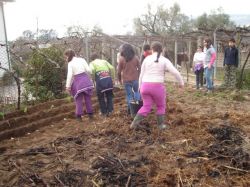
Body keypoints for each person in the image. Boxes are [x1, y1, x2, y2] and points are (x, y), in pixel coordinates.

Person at [130, 42, 184, 130]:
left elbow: (141, 75)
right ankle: (161, 125)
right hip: (157, 87)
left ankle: (134, 123)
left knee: (146, 106)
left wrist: (140, 87)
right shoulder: (164, 60)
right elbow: (175, 72)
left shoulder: (146, 59)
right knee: (161, 106)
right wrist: (181, 83)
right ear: (161, 50)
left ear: (152, 49)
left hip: (145, 86)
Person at [64, 49, 94, 121]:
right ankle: (90, 116)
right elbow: (89, 70)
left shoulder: (70, 63)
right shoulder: (82, 59)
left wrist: (67, 86)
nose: (65, 58)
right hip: (86, 80)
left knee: (78, 100)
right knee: (88, 99)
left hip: (78, 82)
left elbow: (70, 75)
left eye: (65, 57)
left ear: (68, 56)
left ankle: (79, 117)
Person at [117, 44, 141, 115]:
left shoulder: (121, 59)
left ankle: (131, 110)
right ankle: (137, 108)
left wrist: (119, 80)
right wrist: (139, 76)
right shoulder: (136, 58)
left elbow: (118, 72)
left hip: (126, 80)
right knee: (136, 92)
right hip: (135, 79)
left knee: (129, 95)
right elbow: (140, 68)